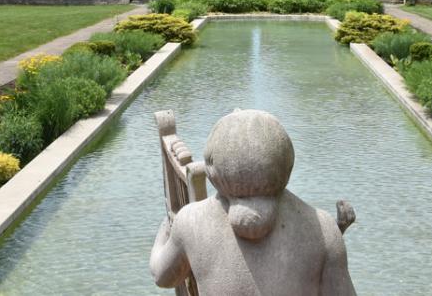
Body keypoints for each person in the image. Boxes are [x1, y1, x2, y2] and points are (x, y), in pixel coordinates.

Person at [150, 109, 356, 295]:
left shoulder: (190, 221)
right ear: (286, 160)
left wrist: (164, 232)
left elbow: (163, 277)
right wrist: (332, 238)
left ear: (212, 166)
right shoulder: (324, 228)